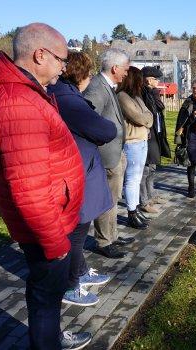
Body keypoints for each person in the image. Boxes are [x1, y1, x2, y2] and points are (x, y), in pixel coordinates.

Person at [0, 23, 92, 350]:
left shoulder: (24, 93)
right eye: (61, 59)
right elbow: (28, 191)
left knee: (48, 294)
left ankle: (52, 337)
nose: (64, 67)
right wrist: (56, 244)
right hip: (46, 229)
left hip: (52, 220)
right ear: (40, 55)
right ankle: (48, 342)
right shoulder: (17, 102)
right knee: (45, 296)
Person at [47, 51, 116, 307]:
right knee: (78, 230)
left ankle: (80, 272)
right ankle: (70, 285)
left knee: (80, 225)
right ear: (83, 75)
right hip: (78, 171)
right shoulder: (68, 99)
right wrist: (105, 127)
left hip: (80, 167)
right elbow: (103, 129)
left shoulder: (64, 95)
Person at [83, 48, 137, 259]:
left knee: (113, 199)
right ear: (115, 68)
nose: (126, 73)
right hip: (106, 157)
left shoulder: (107, 86)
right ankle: (104, 241)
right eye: (125, 69)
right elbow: (88, 120)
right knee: (107, 200)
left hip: (114, 154)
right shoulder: (97, 88)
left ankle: (112, 235)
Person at [117, 66, 154, 227]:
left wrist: (145, 119)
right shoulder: (122, 96)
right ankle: (132, 212)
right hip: (132, 142)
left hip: (143, 140)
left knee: (138, 177)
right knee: (132, 179)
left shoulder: (137, 98)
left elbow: (149, 114)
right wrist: (145, 119)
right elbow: (139, 117)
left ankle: (136, 208)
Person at [138, 66, 171, 214]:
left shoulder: (152, 92)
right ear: (149, 79)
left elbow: (159, 108)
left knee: (152, 168)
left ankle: (151, 196)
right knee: (145, 169)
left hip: (156, 134)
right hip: (147, 135)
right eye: (157, 79)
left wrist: (155, 93)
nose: (159, 81)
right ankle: (143, 201)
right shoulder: (142, 92)